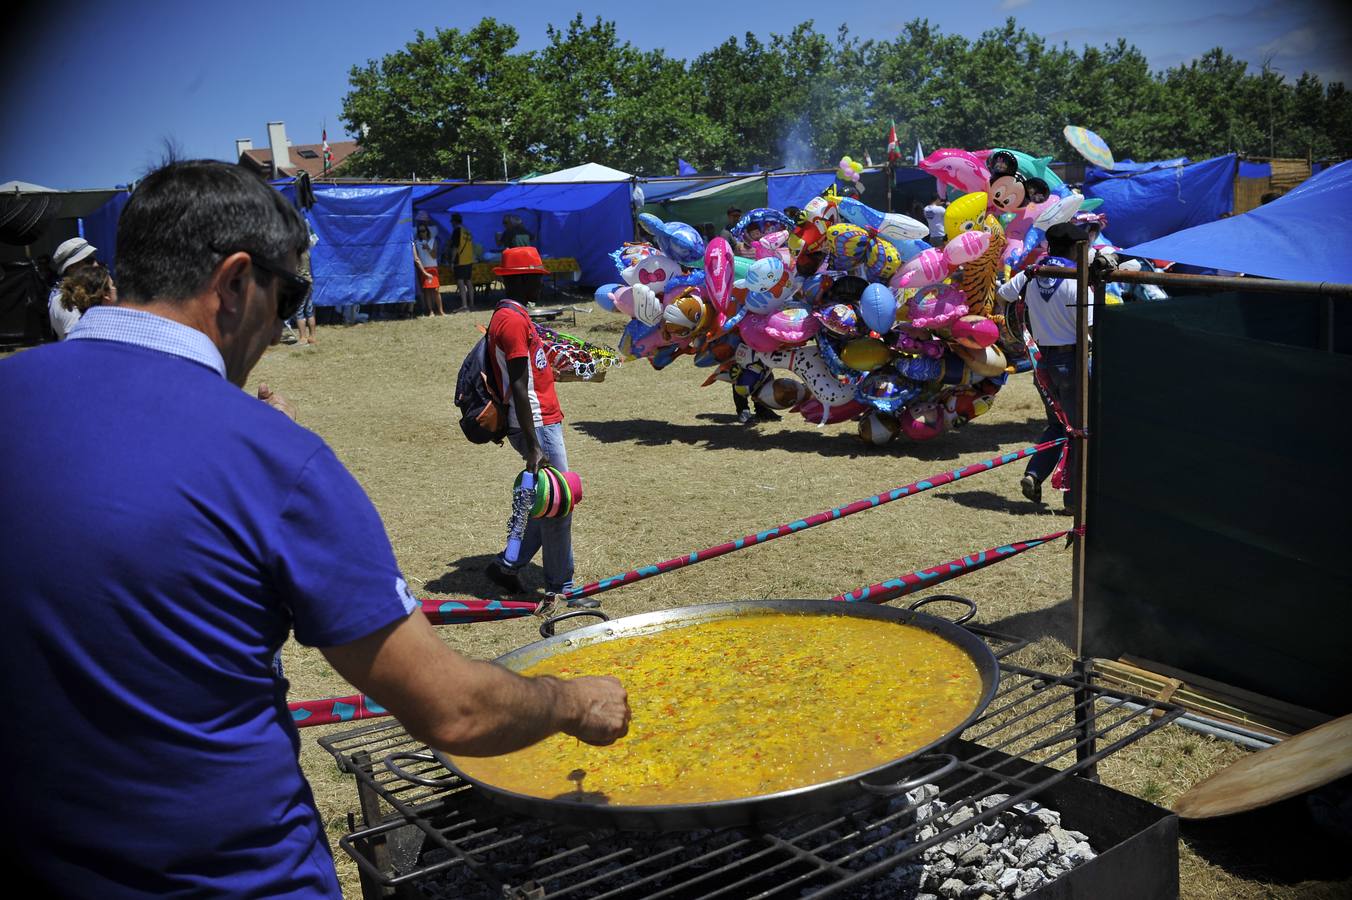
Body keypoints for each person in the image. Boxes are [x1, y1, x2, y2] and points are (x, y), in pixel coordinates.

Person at [0, 161, 629, 898]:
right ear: (237, 284)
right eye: (292, 294)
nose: (284, 323)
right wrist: (574, 700)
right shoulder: (275, 464)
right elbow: (452, 711)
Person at [482, 246, 589, 604]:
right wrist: (533, 445)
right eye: (538, 278)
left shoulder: (512, 315)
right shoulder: (512, 321)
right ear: (522, 279)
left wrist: (551, 371)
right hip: (536, 424)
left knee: (547, 500)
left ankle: (507, 565)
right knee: (560, 504)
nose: (542, 284)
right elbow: (516, 384)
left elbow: (526, 371)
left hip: (541, 420)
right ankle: (563, 588)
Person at [996, 223, 1094, 511]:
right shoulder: (1077, 283)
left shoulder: (1031, 276)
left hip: (1042, 362)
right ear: (1076, 248)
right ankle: (1073, 500)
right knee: (1080, 429)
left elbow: (1003, 293)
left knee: (1057, 423)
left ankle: (1035, 473)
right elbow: (1091, 328)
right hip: (1072, 360)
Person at [47, 236, 99, 339]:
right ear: (72, 267)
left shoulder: (81, 293)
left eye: (95, 259)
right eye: (89, 261)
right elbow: (77, 344)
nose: (96, 265)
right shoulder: (64, 300)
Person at [413, 220, 444, 317]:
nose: (422, 233)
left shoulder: (433, 240)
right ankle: (430, 311)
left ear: (427, 231)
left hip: (433, 268)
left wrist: (428, 248)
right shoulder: (416, 243)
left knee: (435, 290)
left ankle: (441, 311)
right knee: (426, 291)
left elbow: (434, 256)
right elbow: (416, 258)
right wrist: (422, 270)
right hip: (424, 268)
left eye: (424, 231)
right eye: (420, 231)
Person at [449, 213, 475, 312]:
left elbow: (455, 247)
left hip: (460, 260)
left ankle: (464, 306)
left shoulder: (457, 231)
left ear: (454, 222)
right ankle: (472, 304)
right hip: (469, 259)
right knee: (468, 282)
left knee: (460, 282)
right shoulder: (466, 231)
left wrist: (452, 261)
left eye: (452, 222)